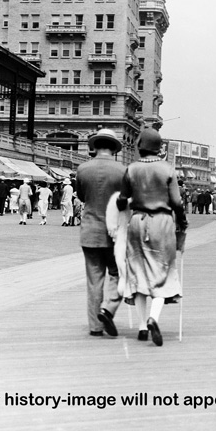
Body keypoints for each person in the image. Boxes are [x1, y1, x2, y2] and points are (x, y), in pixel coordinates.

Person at [117, 128, 188, 346]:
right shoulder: (167, 169)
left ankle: (140, 327)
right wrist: (182, 223)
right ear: (159, 147)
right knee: (162, 271)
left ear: (140, 146)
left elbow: (122, 199)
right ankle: (153, 318)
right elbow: (177, 202)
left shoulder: (131, 168)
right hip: (162, 222)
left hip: (138, 222)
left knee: (138, 271)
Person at [75, 128, 126, 337]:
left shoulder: (82, 169)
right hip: (115, 233)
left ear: (94, 147)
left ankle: (95, 326)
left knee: (94, 280)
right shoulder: (122, 171)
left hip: (89, 230)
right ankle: (109, 308)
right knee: (118, 274)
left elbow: (81, 195)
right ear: (114, 148)